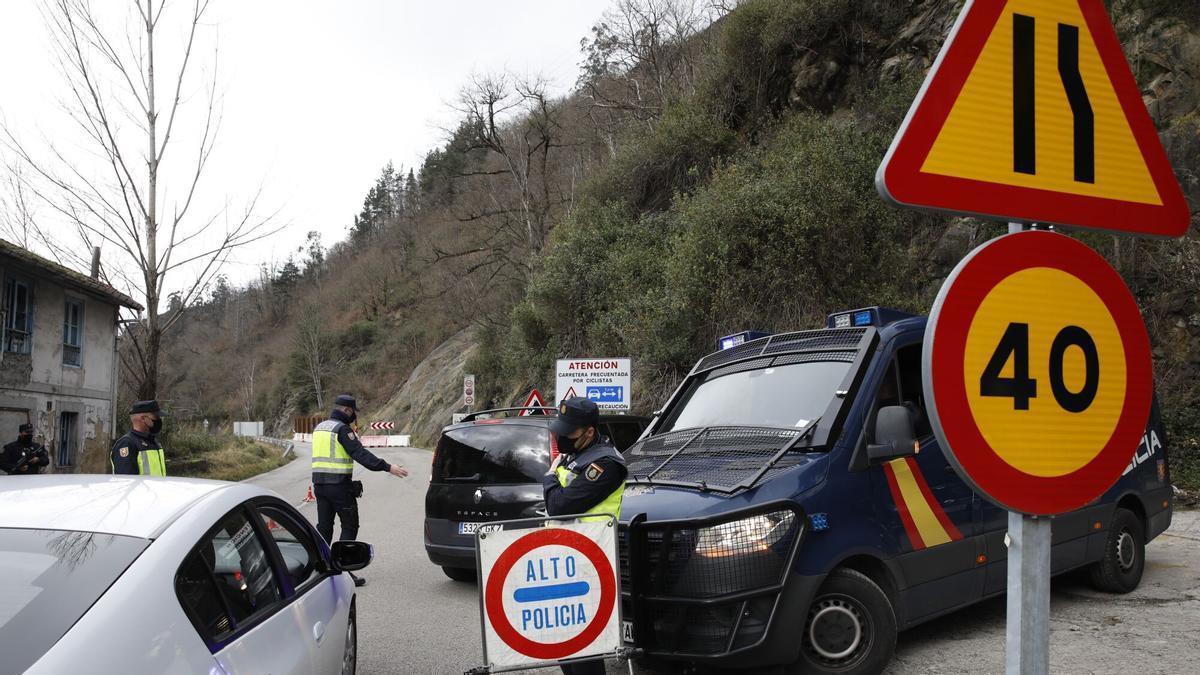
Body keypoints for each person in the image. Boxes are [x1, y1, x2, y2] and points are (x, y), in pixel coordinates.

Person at [543, 396, 627, 675]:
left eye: (568, 432)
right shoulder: (576, 453)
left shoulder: (606, 465)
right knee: (565, 643)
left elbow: (560, 505)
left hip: (589, 561)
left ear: (589, 431)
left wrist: (550, 478)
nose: (562, 437)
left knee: (583, 649)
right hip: (565, 558)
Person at [311, 394, 408, 586]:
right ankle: (344, 572)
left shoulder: (320, 428)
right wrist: (387, 467)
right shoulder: (342, 429)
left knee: (324, 528)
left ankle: (319, 568)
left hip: (319, 486)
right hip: (339, 486)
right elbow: (360, 454)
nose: (354, 416)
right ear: (347, 410)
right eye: (353, 412)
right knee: (349, 526)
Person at [110, 400, 168, 476]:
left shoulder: (152, 441)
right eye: (156, 416)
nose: (159, 420)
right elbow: (126, 481)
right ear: (143, 419)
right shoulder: (127, 443)